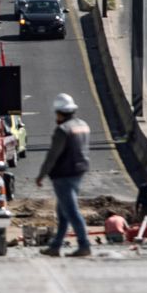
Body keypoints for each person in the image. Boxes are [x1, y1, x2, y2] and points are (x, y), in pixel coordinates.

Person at [36, 93, 92, 258]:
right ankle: (55, 246)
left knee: (72, 212)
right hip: (79, 172)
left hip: (63, 175)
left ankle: (84, 245)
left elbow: (52, 155)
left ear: (59, 113)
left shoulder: (63, 130)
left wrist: (41, 175)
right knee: (63, 213)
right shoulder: (83, 125)